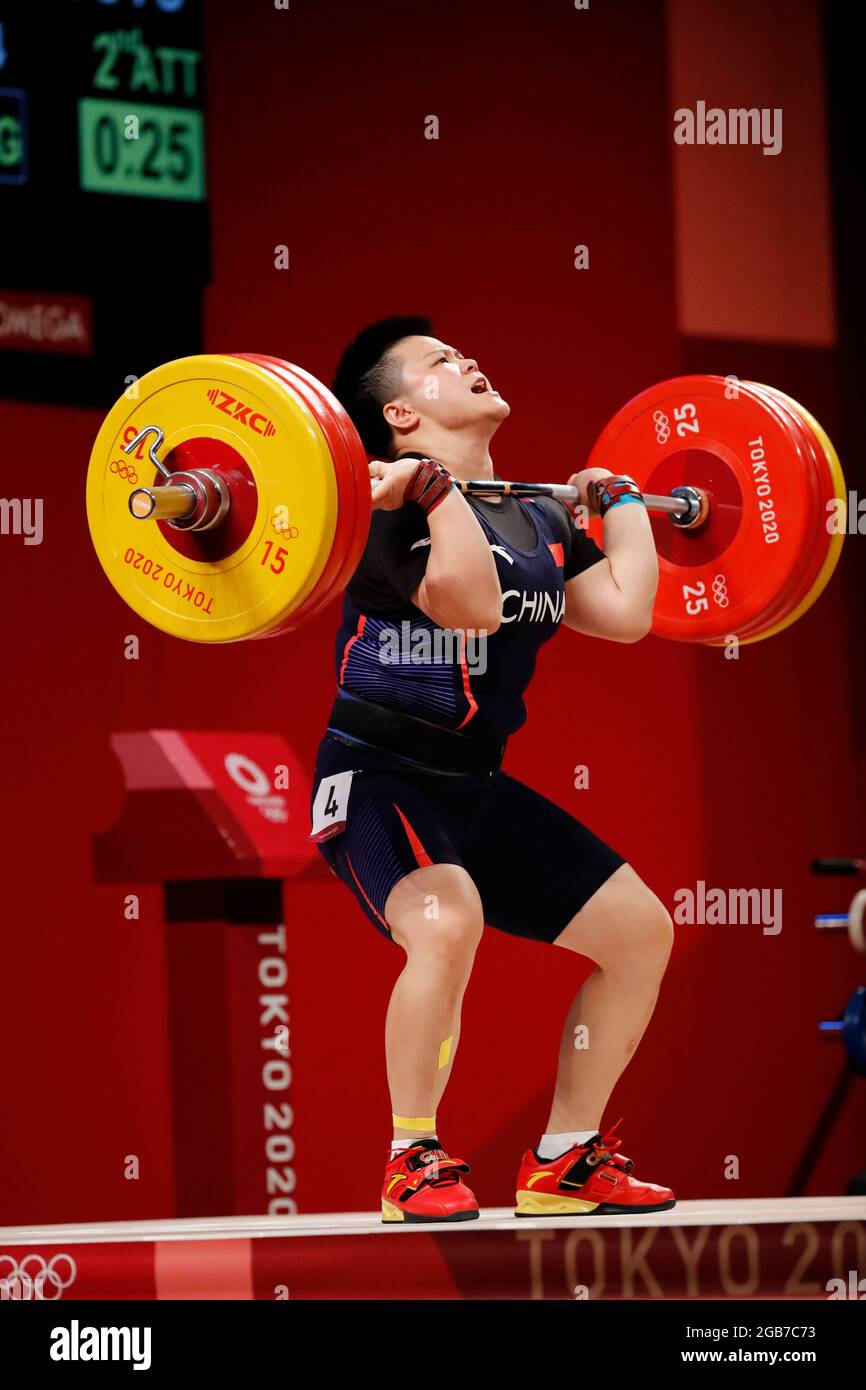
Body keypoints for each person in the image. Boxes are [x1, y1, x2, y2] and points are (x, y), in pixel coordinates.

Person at [308, 315, 676, 1222]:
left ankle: (565, 1159)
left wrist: (621, 501)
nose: (468, 359)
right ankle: (411, 1157)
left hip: (472, 784)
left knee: (640, 933)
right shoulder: (384, 511)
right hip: (374, 775)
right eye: (441, 362)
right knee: (447, 916)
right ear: (398, 413)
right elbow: (467, 603)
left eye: (467, 350)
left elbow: (625, 612)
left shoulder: (538, 514)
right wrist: (432, 495)